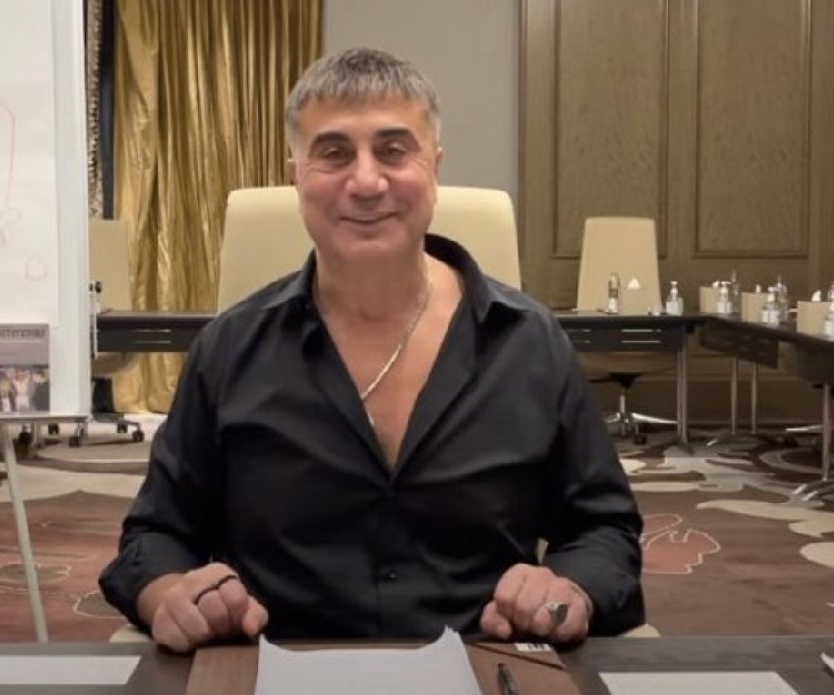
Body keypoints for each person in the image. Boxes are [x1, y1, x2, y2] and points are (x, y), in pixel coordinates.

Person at [99, 47, 644, 653]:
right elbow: (155, 536)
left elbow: (604, 530)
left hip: (482, 666)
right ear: (296, 174)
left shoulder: (531, 344)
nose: (365, 182)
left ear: (434, 167)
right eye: (333, 153)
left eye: (393, 150)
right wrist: (171, 596)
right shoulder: (228, 350)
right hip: (278, 670)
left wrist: (568, 592)